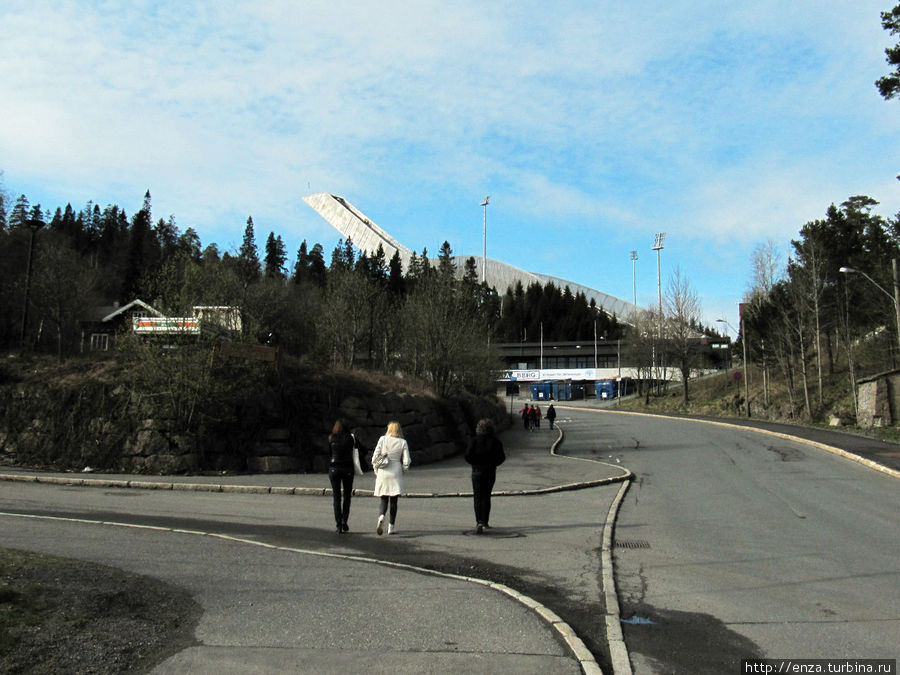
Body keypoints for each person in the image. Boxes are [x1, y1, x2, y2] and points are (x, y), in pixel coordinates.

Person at [464, 418, 506, 534]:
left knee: (477, 496)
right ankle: (486, 521)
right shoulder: (496, 442)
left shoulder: (474, 441)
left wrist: (474, 463)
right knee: (486, 496)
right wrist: (494, 463)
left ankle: (479, 522)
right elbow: (502, 457)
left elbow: (467, 455)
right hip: (490, 471)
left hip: (477, 471)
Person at [371, 421, 411, 535]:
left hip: (383, 471)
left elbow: (375, 457)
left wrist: (376, 470)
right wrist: (403, 469)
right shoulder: (403, 442)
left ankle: (381, 516)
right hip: (396, 470)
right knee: (394, 500)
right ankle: (391, 527)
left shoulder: (382, 439)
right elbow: (406, 461)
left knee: (383, 499)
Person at [328, 420, 357, 534]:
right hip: (347, 468)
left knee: (336, 497)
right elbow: (359, 449)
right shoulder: (350, 438)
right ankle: (345, 521)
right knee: (347, 496)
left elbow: (329, 453)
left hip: (334, 468)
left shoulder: (332, 438)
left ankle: (338, 524)